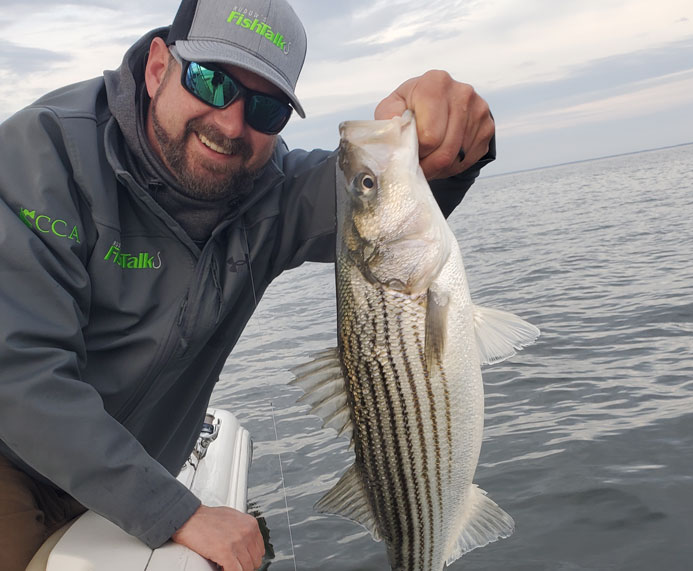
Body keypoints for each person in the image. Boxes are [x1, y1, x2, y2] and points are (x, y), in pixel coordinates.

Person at [0, 0, 496, 569]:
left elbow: (378, 208)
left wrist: (451, 144)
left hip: (137, 473)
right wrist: (176, 512)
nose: (232, 123)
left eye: (265, 108)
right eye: (211, 81)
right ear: (158, 66)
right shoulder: (41, 159)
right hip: (11, 457)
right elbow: (18, 374)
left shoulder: (267, 188)